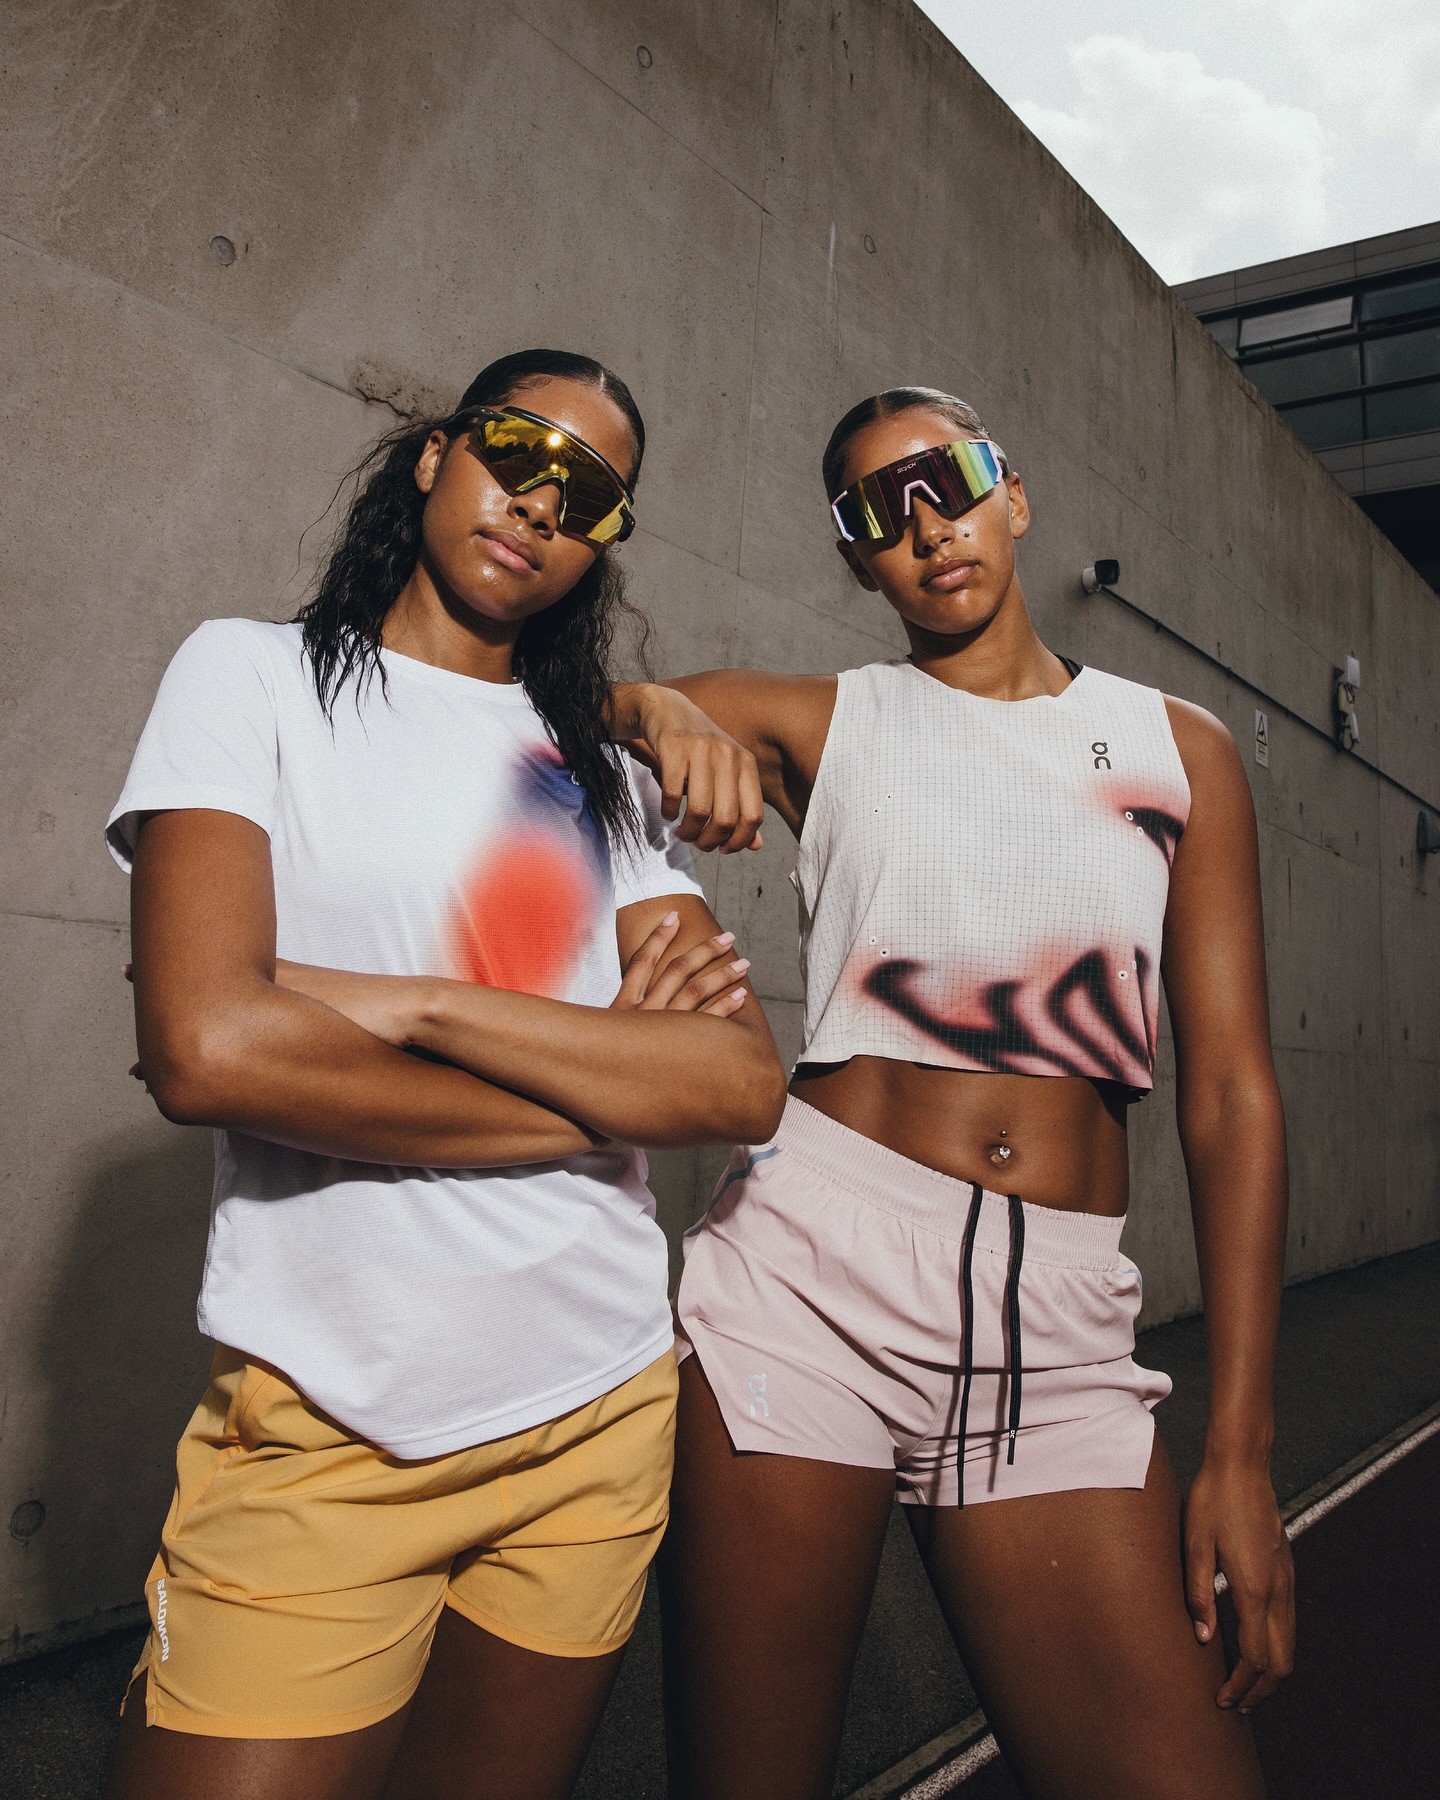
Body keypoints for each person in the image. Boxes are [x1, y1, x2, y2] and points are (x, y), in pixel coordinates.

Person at [102, 348, 786, 1800]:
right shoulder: (251, 676)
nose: (542, 500)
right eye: (517, 450)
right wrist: (598, 1088)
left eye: (590, 491)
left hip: (596, 1415)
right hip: (335, 1420)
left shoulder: (595, 775)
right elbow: (210, 1043)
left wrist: (405, 1005)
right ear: (434, 455)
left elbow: (732, 1089)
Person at [611, 387, 1295, 1799]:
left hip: (1058, 1318)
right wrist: (664, 710)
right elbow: (581, 712)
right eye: (878, 510)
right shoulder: (826, 719)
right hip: (810, 1277)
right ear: (860, 558)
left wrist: (1239, 1445)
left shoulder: (1182, 749)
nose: (925, 525)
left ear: (1015, 492)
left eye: (948, 480)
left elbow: (1227, 1094)